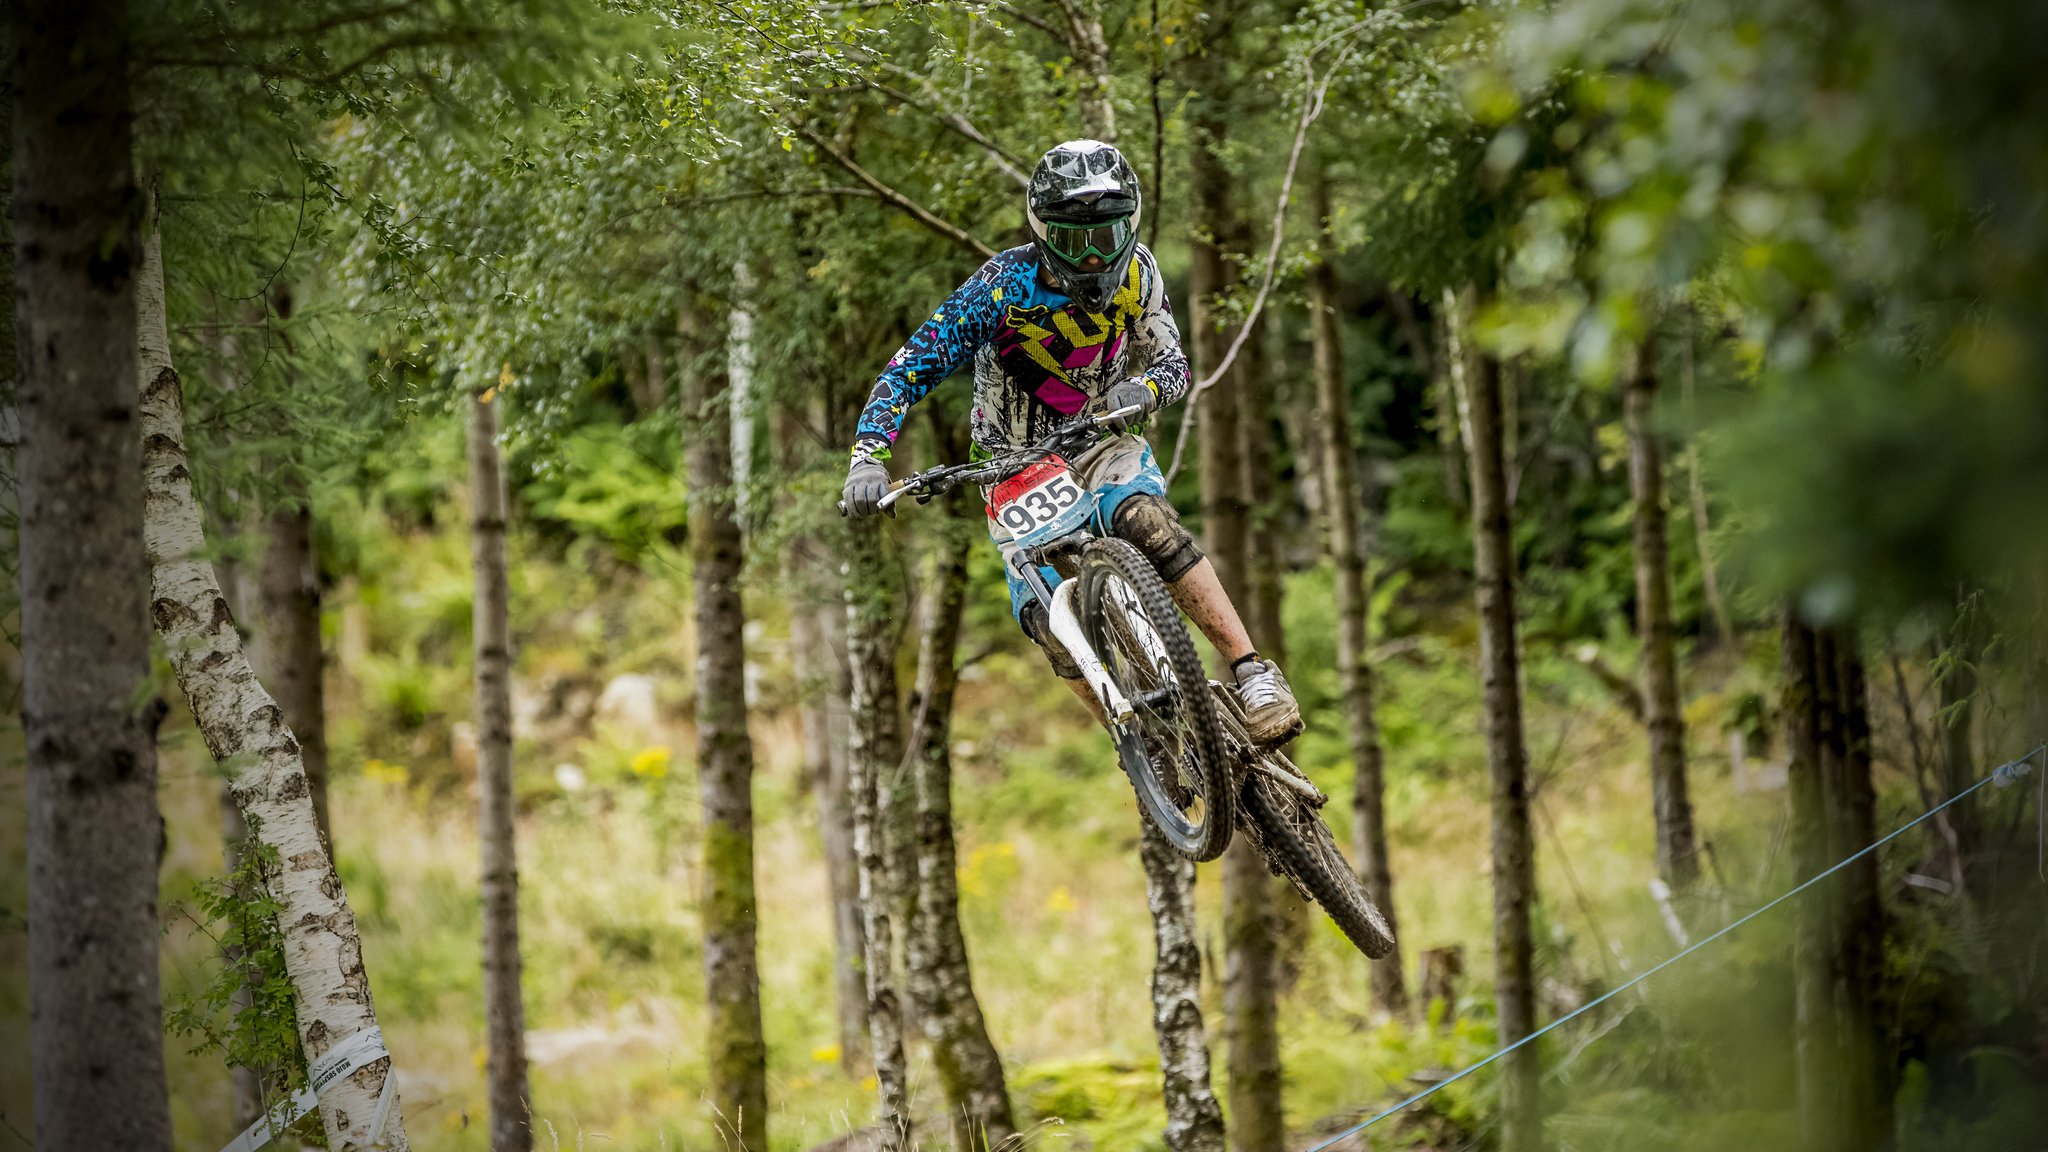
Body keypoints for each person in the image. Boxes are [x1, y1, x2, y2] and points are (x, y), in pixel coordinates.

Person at [840, 139, 1301, 746]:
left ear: (1129, 228)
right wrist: (867, 456)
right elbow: (907, 370)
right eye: (1072, 239)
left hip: (1099, 437)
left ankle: (1252, 672)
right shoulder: (999, 287)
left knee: (1148, 522)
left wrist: (1144, 389)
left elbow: (1174, 365)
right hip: (1011, 465)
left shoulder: (1140, 273)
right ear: (1040, 232)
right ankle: (1130, 743)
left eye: (1105, 238)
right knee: (1043, 617)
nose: (1091, 258)